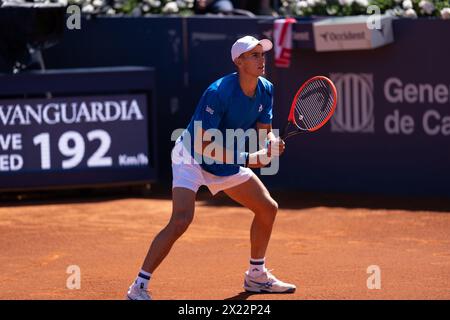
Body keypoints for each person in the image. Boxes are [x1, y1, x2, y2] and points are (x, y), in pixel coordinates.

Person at [126, 35, 296, 300]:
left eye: (262, 54)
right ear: (239, 62)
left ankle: (256, 276)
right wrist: (251, 158)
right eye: (254, 55)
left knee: (267, 208)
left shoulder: (266, 89)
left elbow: (265, 132)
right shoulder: (218, 92)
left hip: (225, 161)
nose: (262, 59)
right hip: (191, 157)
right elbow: (205, 144)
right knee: (181, 219)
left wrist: (272, 144)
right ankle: (138, 286)